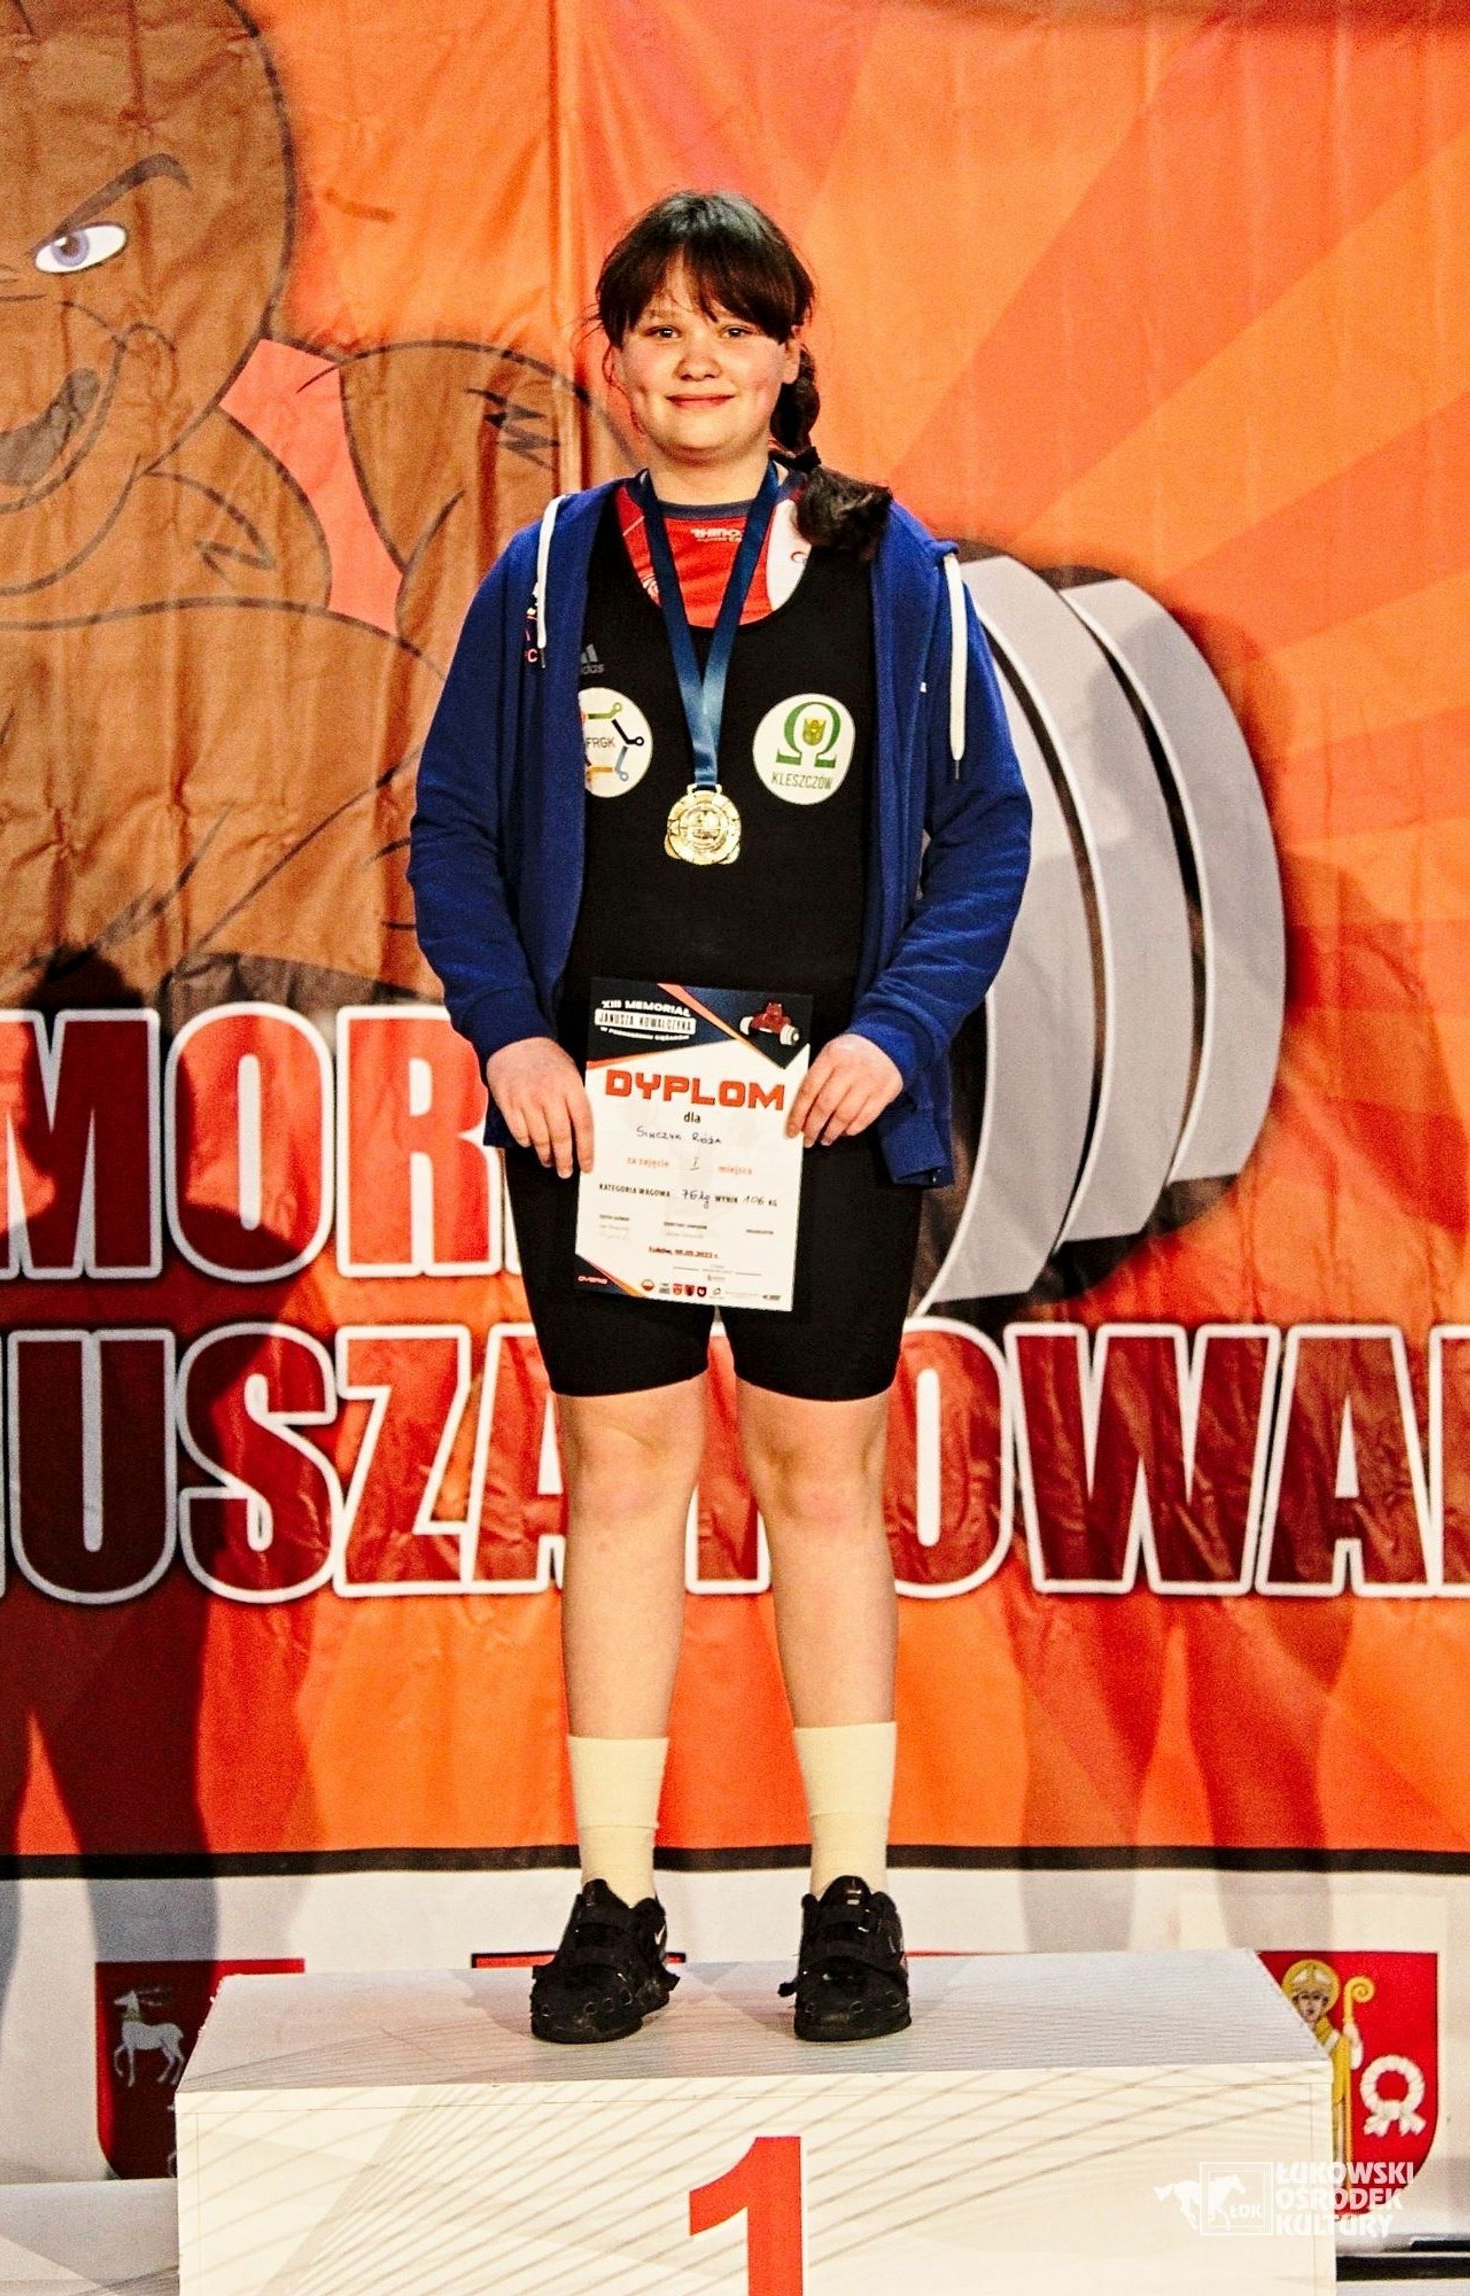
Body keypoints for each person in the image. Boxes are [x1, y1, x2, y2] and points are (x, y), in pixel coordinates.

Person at [408, 190, 1031, 2044]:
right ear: (607, 362)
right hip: (600, 1117)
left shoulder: (893, 573)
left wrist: (900, 1034)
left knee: (818, 1479)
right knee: (620, 1478)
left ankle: (851, 1896)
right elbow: (454, 832)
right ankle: (612, 1898)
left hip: (819, 1114)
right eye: (659, 328)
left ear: (787, 358)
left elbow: (985, 830)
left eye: (732, 328)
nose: (694, 361)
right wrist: (510, 1039)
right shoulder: (541, 578)